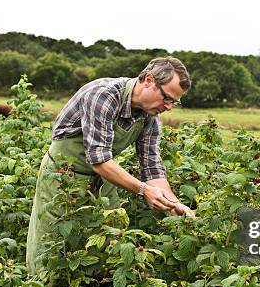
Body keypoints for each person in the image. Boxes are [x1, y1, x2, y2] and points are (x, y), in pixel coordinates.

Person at [26, 56, 194, 274]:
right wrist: (143, 190)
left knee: (111, 240)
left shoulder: (150, 117)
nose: (169, 107)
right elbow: (99, 159)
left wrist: (176, 206)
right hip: (63, 178)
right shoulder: (103, 96)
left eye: (175, 102)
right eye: (167, 98)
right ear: (150, 80)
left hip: (104, 180)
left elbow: (153, 169)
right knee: (52, 244)